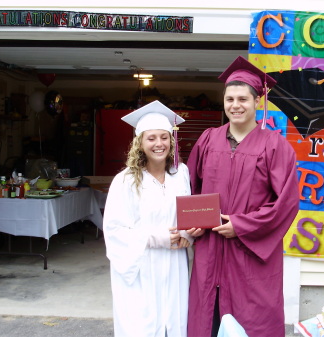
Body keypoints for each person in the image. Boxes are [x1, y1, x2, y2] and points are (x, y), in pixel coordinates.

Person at [186, 56, 300, 337]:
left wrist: (242, 225)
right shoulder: (208, 139)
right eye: (229, 99)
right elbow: (190, 188)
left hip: (249, 254)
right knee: (206, 317)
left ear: (257, 102)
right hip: (210, 248)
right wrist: (193, 222)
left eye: (242, 99)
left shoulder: (275, 146)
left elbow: (286, 203)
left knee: (252, 318)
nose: (235, 106)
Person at [103, 100, 193, 337]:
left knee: (174, 323)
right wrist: (156, 238)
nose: (159, 144)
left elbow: (189, 213)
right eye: (151, 138)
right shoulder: (125, 181)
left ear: (171, 141)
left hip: (174, 265)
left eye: (164, 137)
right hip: (142, 265)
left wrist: (188, 234)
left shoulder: (181, 174)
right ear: (139, 143)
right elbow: (114, 230)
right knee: (141, 326)